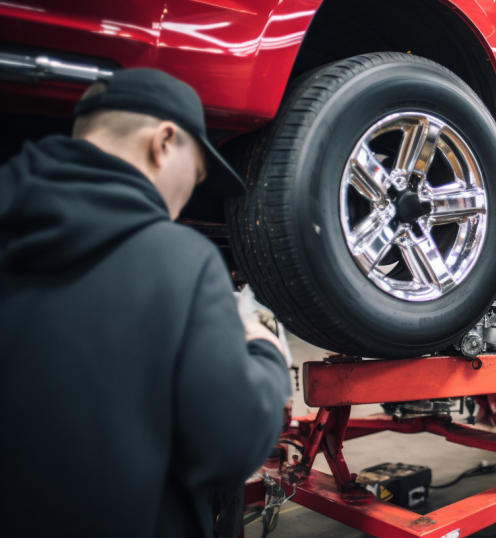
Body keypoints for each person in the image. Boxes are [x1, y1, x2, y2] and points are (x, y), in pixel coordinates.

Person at [0, 69, 291, 537]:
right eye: (194, 175)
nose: (182, 202)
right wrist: (265, 351)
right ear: (163, 143)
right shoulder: (178, 259)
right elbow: (230, 448)